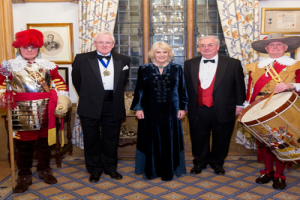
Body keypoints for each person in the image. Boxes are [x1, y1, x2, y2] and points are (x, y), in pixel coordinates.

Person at [0, 29, 71, 193]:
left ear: (39, 48)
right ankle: (24, 175)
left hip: (46, 109)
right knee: (23, 146)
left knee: (44, 144)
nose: (30, 50)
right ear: (19, 48)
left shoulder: (48, 67)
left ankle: (44, 170)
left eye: (33, 47)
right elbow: (2, 86)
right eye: (26, 47)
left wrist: (62, 102)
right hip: (21, 110)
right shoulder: (8, 67)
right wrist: (4, 95)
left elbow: (60, 85)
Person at [72, 31, 130, 182]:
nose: (104, 45)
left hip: (113, 104)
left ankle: (110, 168)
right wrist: (89, 96)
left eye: (108, 42)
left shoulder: (124, 60)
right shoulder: (82, 59)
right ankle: (94, 169)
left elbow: (122, 82)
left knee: (111, 138)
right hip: (89, 104)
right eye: (101, 42)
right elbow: (76, 81)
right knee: (91, 138)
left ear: (113, 44)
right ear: (95, 43)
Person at [184, 35, 246, 175]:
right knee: (198, 137)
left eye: (210, 45)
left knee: (222, 137)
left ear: (218, 47)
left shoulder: (232, 63)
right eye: (203, 45)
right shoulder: (189, 64)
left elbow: (239, 86)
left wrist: (239, 105)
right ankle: (199, 162)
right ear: (199, 48)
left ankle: (217, 163)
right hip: (197, 108)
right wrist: (185, 104)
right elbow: (185, 87)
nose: (206, 48)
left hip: (224, 107)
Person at [245, 33, 300, 189]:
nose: (275, 47)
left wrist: (291, 86)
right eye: (272, 45)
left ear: (286, 48)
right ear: (266, 49)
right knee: (265, 141)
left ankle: (279, 175)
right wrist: (247, 106)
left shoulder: (296, 65)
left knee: (281, 141)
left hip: (283, 107)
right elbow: (250, 89)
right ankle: (268, 171)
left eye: (279, 44)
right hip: (260, 107)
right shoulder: (256, 67)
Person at [131, 41, 188, 181]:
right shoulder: (144, 68)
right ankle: (151, 170)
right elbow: (139, 90)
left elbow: (182, 89)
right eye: (158, 52)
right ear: (153, 54)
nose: (161, 55)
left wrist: (182, 107)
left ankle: (171, 169)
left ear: (169, 53)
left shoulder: (177, 68)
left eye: (164, 52)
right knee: (150, 139)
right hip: (149, 110)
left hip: (172, 111)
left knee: (170, 139)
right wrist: (138, 108)